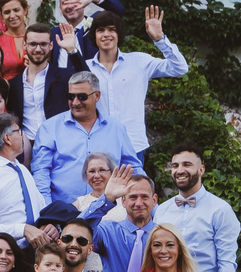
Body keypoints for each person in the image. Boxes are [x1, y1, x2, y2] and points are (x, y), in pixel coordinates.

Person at [88, 6, 188, 158]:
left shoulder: (139, 61)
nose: (106, 34)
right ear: (94, 36)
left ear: (119, 34)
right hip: (98, 146)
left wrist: (160, 39)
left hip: (133, 145)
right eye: (100, 30)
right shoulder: (86, 68)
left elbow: (179, 68)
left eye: (111, 30)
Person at [31, 72, 141, 203]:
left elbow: (133, 169)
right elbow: (40, 172)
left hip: (109, 208)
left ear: (97, 96)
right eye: (71, 97)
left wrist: (144, 198)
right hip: (65, 210)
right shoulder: (49, 128)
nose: (75, 102)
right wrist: (47, 210)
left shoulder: (116, 128)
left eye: (82, 97)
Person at [153, 144, 241, 272]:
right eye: (175, 166)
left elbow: (227, 262)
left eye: (187, 164)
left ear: (201, 170)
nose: (180, 170)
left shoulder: (220, 210)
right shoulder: (162, 210)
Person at [0, 113, 54, 249]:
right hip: (8, 253)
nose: (22, 137)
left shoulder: (21, 169)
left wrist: (49, 225)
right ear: (7, 138)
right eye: (19, 132)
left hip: (36, 251)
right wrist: (23, 230)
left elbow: (40, 207)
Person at [83, 167, 160, 272]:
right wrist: (107, 199)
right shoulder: (108, 232)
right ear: (123, 201)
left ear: (154, 200)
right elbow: (80, 230)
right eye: (133, 197)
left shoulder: (164, 236)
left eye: (144, 197)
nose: (139, 203)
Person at [8, 22, 89, 142]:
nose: (38, 49)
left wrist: (72, 50)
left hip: (59, 142)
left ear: (51, 45)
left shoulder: (63, 76)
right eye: (33, 44)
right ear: (24, 45)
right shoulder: (14, 84)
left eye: (43, 44)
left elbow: (88, 80)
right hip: (26, 145)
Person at [53, 0, 126, 61]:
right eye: (65, 2)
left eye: (74, 1)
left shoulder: (97, 23)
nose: (70, 6)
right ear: (60, 8)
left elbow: (119, 11)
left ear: (83, 2)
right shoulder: (53, 34)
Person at [73, 152, 128, 223]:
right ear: (86, 174)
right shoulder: (78, 204)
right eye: (92, 171)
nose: (96, 176)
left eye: (102, 170)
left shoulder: (126, 199)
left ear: (112, 172)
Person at [0, 0, 30, 81]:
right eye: (7, 12)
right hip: (2, 88)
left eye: (16, 10)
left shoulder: (36, 39)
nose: (12, 16)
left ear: (25, 10)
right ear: (1, 16)